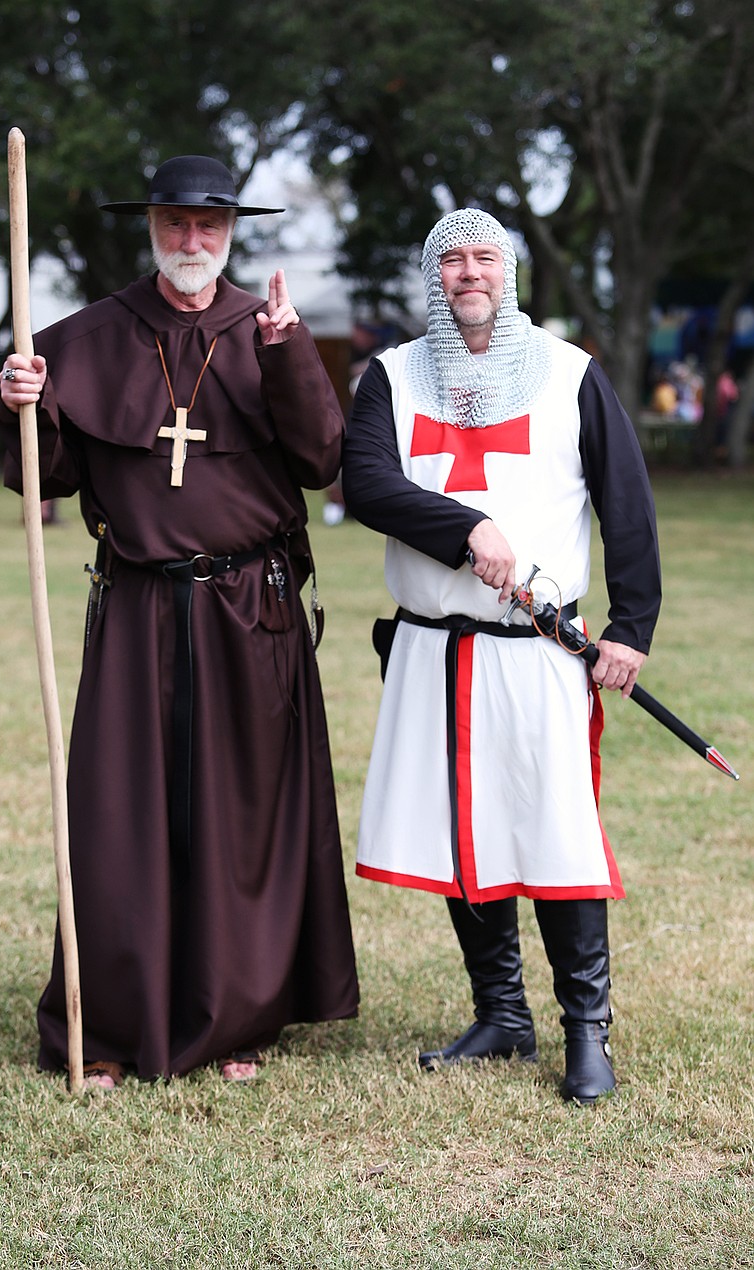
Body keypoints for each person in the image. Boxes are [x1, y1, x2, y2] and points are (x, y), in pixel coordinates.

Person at [0, 155, 359, 1089]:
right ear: (151, 225)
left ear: (231, 231)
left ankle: (238, 1017)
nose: (191, 240)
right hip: (137, 608)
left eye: (209, 224)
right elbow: (47, 476)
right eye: (174, 222)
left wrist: (286, 353)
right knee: (120, 816)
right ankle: (112, 1024)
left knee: (244, 818)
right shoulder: (81, 339)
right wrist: (26, 408)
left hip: (252, 611)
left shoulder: (270, 330)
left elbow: (322, 460)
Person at [342, 208, 661, 1105]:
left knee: (556, 832)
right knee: (463, 831)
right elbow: (367, 484)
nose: (469, 272)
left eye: (485, 257)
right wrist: (467, 528)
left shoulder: (568, 374)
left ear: (507, 272)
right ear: (433, 276)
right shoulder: (393, 377)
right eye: (452, 259)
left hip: (537, 649)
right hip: (434, 646)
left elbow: (626, 504)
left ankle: (585, 1031)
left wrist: (631, 627)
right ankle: (502, 1015)